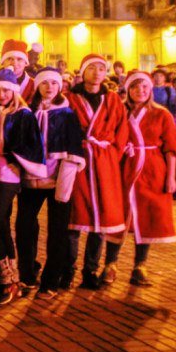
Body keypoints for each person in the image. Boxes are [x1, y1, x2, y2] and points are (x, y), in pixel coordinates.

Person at [0, 68, 44, 305]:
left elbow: (31, 146)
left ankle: (7, 279)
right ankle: (8, 282)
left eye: (6, 90)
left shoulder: (23, 114)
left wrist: (9, 155)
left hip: (7, 177)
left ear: (14, 91)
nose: (1, 94)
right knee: (2, 228)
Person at [22, 67, 86, 297]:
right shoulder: (28, 111)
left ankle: (51, 279)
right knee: (24, 225)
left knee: (57, 230)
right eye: (44, 83)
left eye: (53, 83)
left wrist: (66, 176)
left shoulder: (67, 114)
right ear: (37, 86)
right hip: (31, 178)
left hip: (58, 179)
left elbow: (74, 147)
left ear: (60, 86)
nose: (49, 87)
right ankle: (27, 274)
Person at [68, 54, 130, 289]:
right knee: (74, 218)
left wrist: (113, 154)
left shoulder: (113, 100)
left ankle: (90, 270)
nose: (96, 73)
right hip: (78, 162)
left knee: (100, 220)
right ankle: (68, 269)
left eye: (101, 69)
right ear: (83, 72)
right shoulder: (70, 99)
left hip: (105, 163)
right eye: (91, 68)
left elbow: (122, 131)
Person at [121, 72, 176, 285]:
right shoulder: (120, 111)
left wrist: (171, 177)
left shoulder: (161, 114)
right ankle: (108, 264)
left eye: (145, 87)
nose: (141, 91)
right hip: (126, 167)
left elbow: (171, 147)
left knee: (147, 216)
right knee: (119, 215)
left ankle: (140, 265)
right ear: (128, 89)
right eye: (135, 87)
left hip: (153, 168)